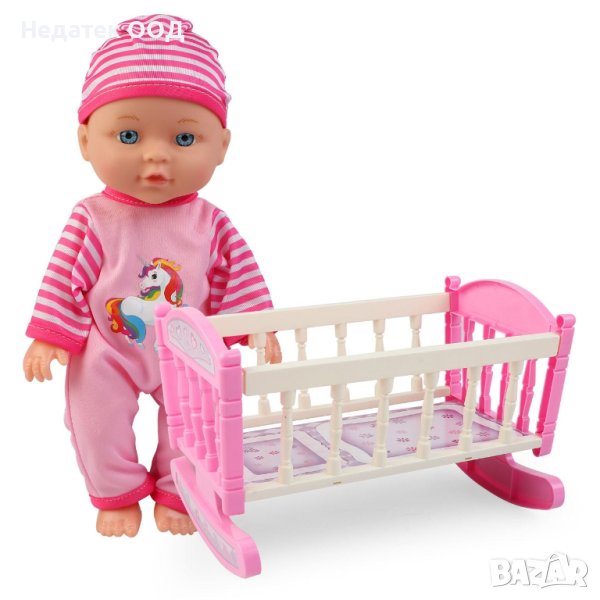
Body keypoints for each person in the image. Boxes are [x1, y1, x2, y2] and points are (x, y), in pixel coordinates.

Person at [22, 14, 281, 538]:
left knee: (199, 421)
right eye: (129, 134)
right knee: (94, 421)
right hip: (106, 347)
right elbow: (64, 278)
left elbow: (240, 277)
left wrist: (257, 326)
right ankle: (116, 492)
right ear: (85, 140)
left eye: (185, 137)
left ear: (222, 146)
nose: (156, 154)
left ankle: (177, 489)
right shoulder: (93, 217)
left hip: (188, 347)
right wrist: (50, 337)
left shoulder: (210, 222)